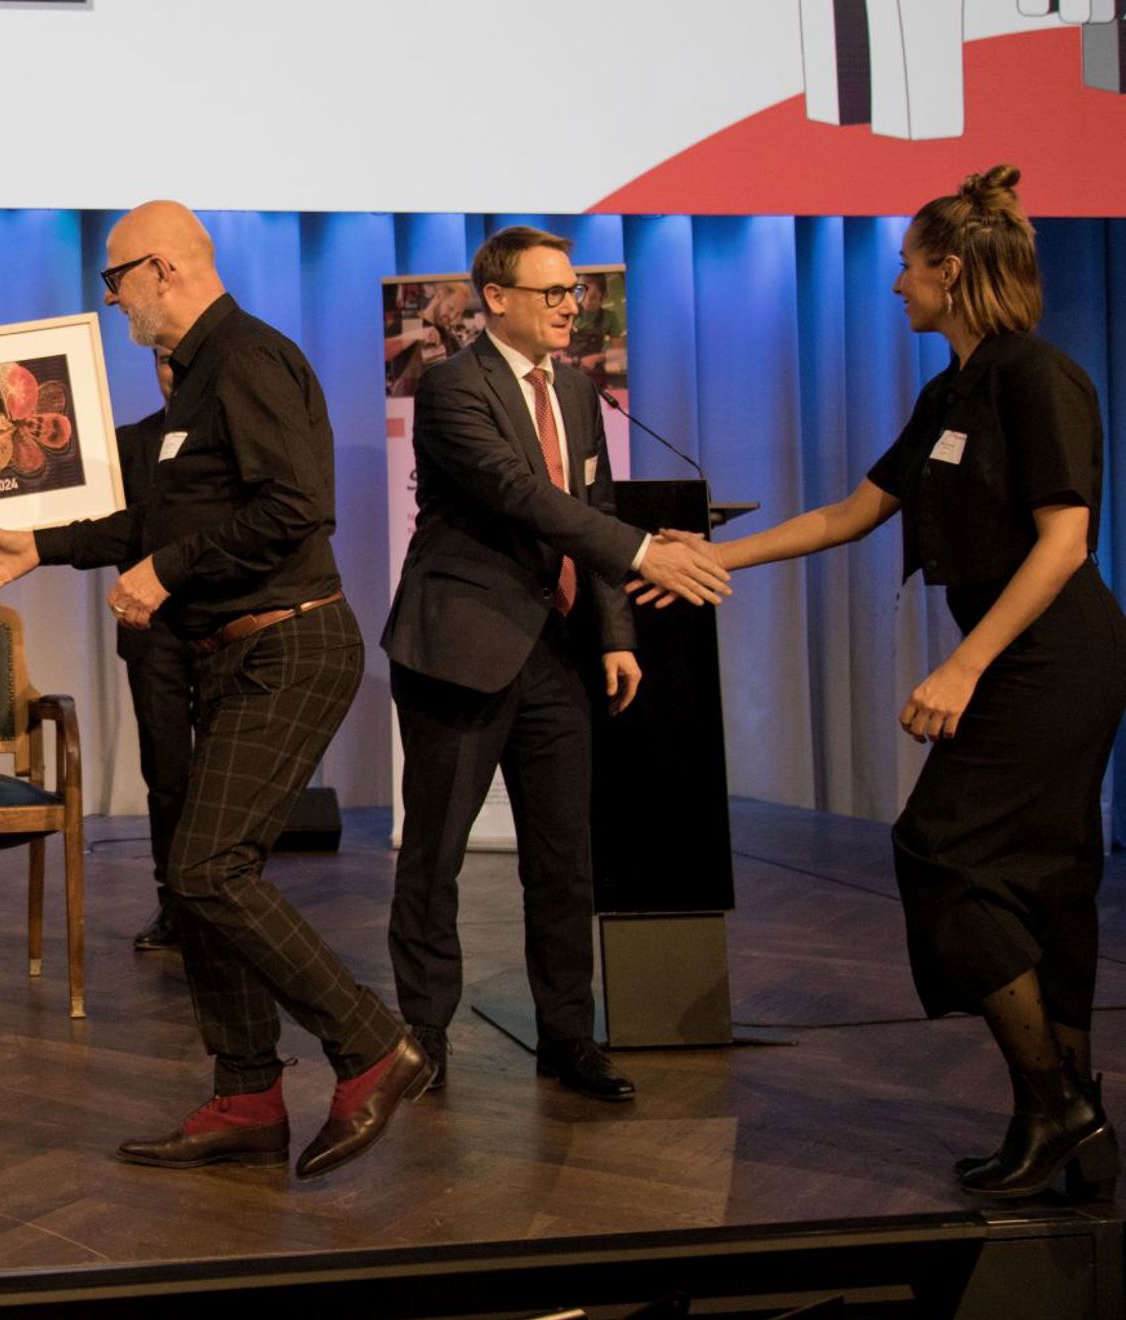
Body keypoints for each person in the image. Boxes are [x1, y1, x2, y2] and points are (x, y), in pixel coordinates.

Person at [647, 166, 1125, 1199]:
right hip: (1016, 652)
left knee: (938, 850)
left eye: (905, 266)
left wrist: (962, 664)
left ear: (948, 270)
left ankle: (1054, 1101)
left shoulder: (1035, 377)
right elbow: (851, 513)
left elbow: (1064, 543)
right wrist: (711, 557)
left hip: (1054, 656)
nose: (895, 284)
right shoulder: (948, 390)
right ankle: (1069, 1131)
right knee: (1044, 876)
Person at [0, 200, 428, 1179]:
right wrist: (38, 546)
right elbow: (152, 525)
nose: (110, 298)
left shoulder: (248, 359)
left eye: (113, 277)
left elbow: (298, 507)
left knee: (209, 870)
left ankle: (372, 1045)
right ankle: (247, 1094)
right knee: (196, 874)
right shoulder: (195, 378)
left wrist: (167, 573)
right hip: (235, 654)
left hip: (288, 647)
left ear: (160, 270)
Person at [382, 226, 730, 1101]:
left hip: (558, 652)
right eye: (554, 293)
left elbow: (594, 504)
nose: (572, 306)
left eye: (574, 291)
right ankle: (424, 1039)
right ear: (497, 299)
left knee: (564, 860)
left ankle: (568, 1038)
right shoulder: (451, 386)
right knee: (435, 859)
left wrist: (615, 632)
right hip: (460, 651)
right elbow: (520, 494)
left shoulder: (576, 390)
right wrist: (645, 553)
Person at [112, 346, 194, 952]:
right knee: (167, 773)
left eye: (183, 362)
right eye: (164, 361)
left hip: (229, 625)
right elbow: (107, 529)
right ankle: (174, 903)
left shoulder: (232, 436)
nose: (174, 373)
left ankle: (222, 901)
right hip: (152, 630)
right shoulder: (130, 444)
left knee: (223, 776)